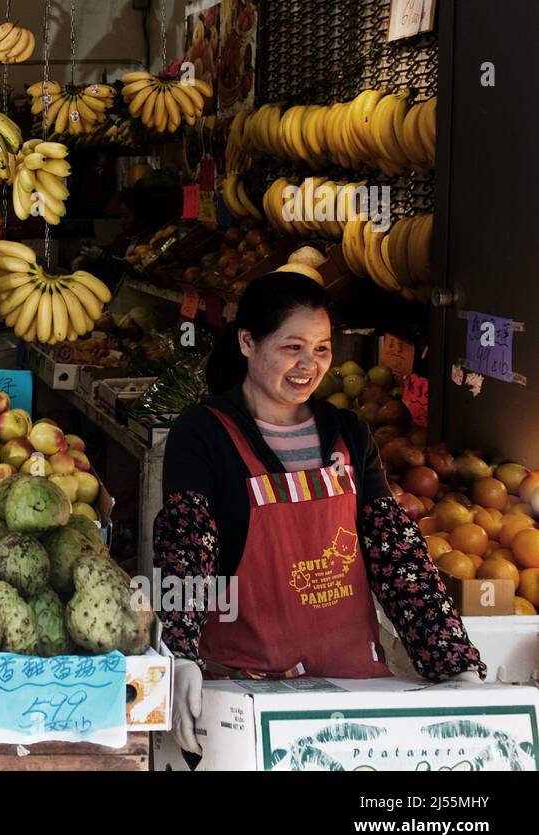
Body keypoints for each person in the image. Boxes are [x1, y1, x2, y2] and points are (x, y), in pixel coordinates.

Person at [154, 272, 483, 753]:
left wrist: (451, 657)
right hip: (244, 691)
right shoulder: (203, 432)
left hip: (351, 687)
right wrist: (178, 653)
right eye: (293, 347)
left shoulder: (347, 432)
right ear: (248, 342)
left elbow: (394, 552)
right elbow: (187, 543)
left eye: (323, 349)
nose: (309, 364)